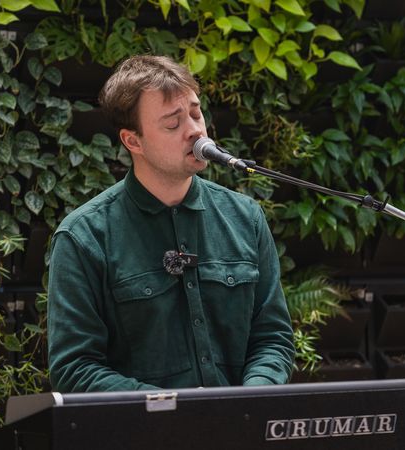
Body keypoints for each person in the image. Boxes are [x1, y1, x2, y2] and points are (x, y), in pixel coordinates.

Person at [46, 55, 295, 392]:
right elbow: (74, 368)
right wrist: (171, 409)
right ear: (133, 141)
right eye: (172, 123)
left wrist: (249, 398)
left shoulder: (245, 217)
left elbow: (273, 338)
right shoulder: (84, 237)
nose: (194, 130)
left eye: (195, 113)